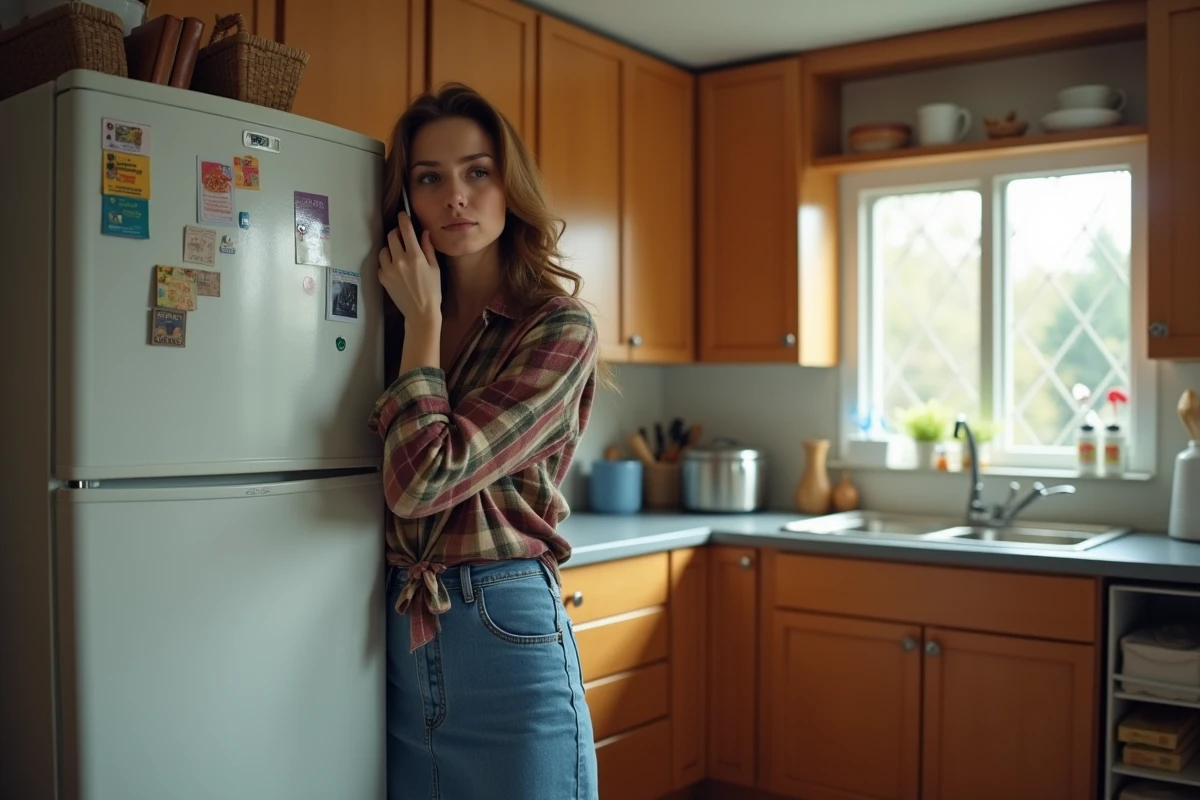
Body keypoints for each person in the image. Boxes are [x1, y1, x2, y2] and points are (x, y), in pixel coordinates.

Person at [367, 82, 601, 800]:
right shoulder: (382, 325)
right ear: (405, 202)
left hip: (506, 630)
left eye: (477, 172)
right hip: (398, 635)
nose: (455, 197)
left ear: (509, 186)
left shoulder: (559, 328)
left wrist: (426, 325)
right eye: (429, 178)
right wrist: (415, 322)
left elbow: (421, 483)